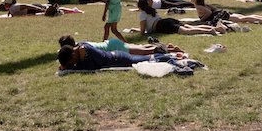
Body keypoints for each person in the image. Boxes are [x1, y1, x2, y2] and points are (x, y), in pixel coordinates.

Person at [57, 43, 194, 71]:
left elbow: (89, 68)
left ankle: (174, 57)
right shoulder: (80, 49)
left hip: (119, 58)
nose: (72, 63)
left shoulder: (84, 50)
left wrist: (67, 67)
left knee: (148, 59)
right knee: (146, 56)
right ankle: (171, 55)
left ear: (73, 54)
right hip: (117, 56)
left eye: (71, 61)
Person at [137, 0, 226, 36]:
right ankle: (216, 28)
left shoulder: (142, 14)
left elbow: (142, 30)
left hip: (163, 25)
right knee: (190, 27)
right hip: (166, 21)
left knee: (186, 31)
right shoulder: (152, 10)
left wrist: (141, 33)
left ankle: (210, 31)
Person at [191, 0, 262, 24]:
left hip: (220, 15)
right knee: (242, 17)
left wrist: (202, 20)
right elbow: (213, 8)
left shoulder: (198, 6)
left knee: (243, 19)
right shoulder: (204, 4)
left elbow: (209, 12)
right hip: (222, 13)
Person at [58, 34, 176, 56]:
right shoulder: (81, 43)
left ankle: (167, 50)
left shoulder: (79, 48)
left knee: (143, 52)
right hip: (111, 43)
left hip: (113, 47)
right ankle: (166, 47)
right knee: (140, 47)